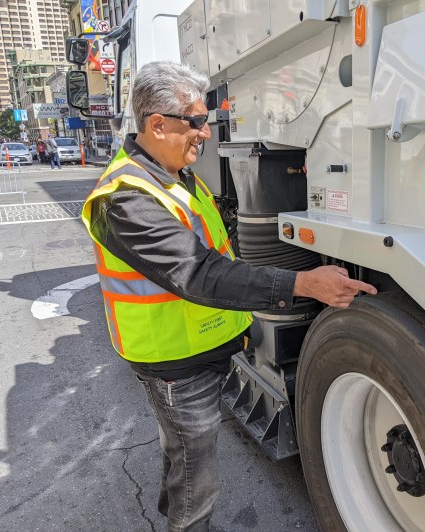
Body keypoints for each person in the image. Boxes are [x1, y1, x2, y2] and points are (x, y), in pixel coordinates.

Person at [81, 61, 377, 532]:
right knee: (196, 477)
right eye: (196, 122)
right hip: (176, 366)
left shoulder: (172, 174)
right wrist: (303, 283)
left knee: (183, 456)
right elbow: (201, 274)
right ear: (157, 124)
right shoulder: (126, 199)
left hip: (204, 349)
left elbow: (215, 251)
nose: (205, 133)